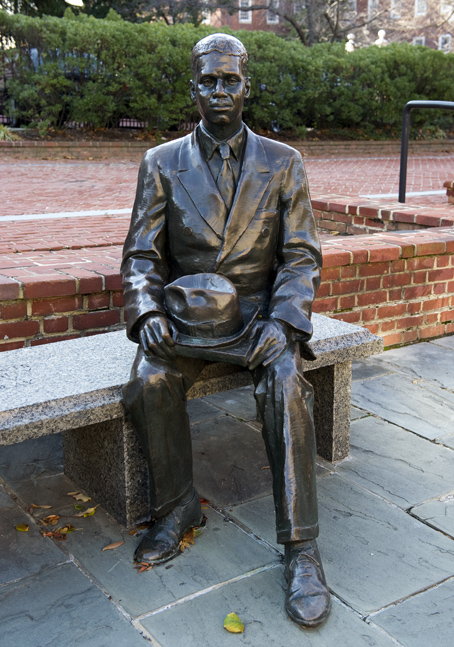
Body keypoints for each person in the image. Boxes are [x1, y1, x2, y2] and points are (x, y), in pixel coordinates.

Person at [121, 33, 330, 628]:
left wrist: (286, 321)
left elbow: (301, 257)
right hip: (184, 317)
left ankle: (301, 548)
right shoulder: (161, 163)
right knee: (149, 381)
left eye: (229, 80)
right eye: (207, 81)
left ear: (246, 85)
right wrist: (149, 312)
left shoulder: (283, 162)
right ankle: (178, 505)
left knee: (287, 382)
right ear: (194, 87)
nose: (219, 91)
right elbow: (141, 257)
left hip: (258, 318)